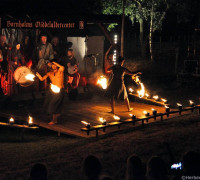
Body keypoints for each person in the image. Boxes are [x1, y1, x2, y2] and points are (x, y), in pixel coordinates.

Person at [36, 60, 65, 125]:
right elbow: (42, 79)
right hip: (54, 91)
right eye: (52, 65)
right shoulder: (50, 73)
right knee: (53, 105)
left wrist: (54, 62)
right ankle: (55, 119)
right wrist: (38, 75)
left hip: (60, 91)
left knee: (53, 105)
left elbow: (62, 67)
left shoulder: (60, 71)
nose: (53, 66)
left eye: (54, 65)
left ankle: (54, 120)